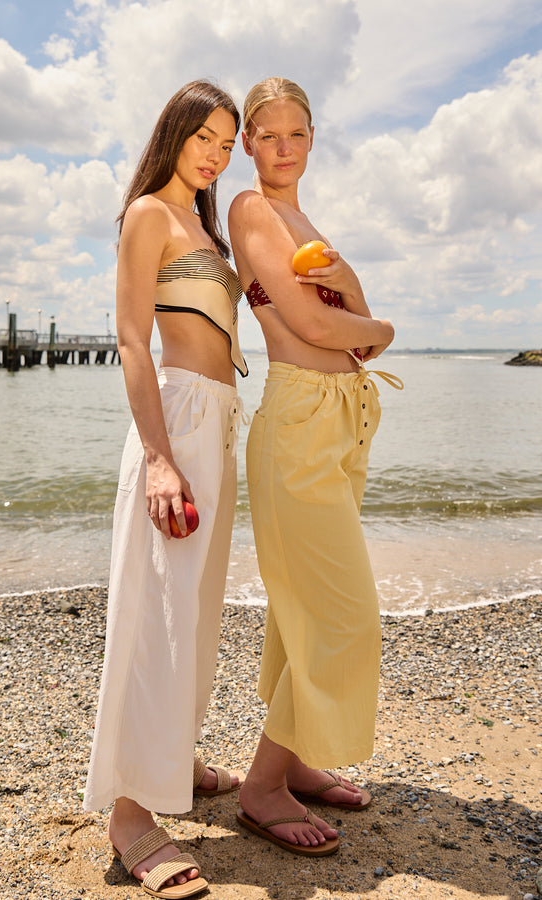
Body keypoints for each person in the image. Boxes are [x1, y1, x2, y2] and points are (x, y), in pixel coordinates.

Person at [228, 77, 403, 857]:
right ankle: (261, 786)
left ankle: (295, 759)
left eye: (296, 134)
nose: (283, 148)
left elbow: (352, 334)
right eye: (267, 135)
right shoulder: (250, 210)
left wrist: (364, 321)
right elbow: (313, 322)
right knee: (344, 613)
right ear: (246, 144)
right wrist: (385, 325)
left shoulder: (304, 219)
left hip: (343, 422)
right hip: (298, 420)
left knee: (299, 606)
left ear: (312, 138)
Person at [83, 80, 248, 898]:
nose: (217, 153)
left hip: (217, 421)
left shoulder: (206, 227)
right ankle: (127, 811)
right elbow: (130, 338)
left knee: (195, 603)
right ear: (175, 133)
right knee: (152, 605)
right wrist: (156, 455)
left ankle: (170, 755)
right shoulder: (150, 211)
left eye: (228, 142)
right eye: (206, 137)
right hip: (175, 419)